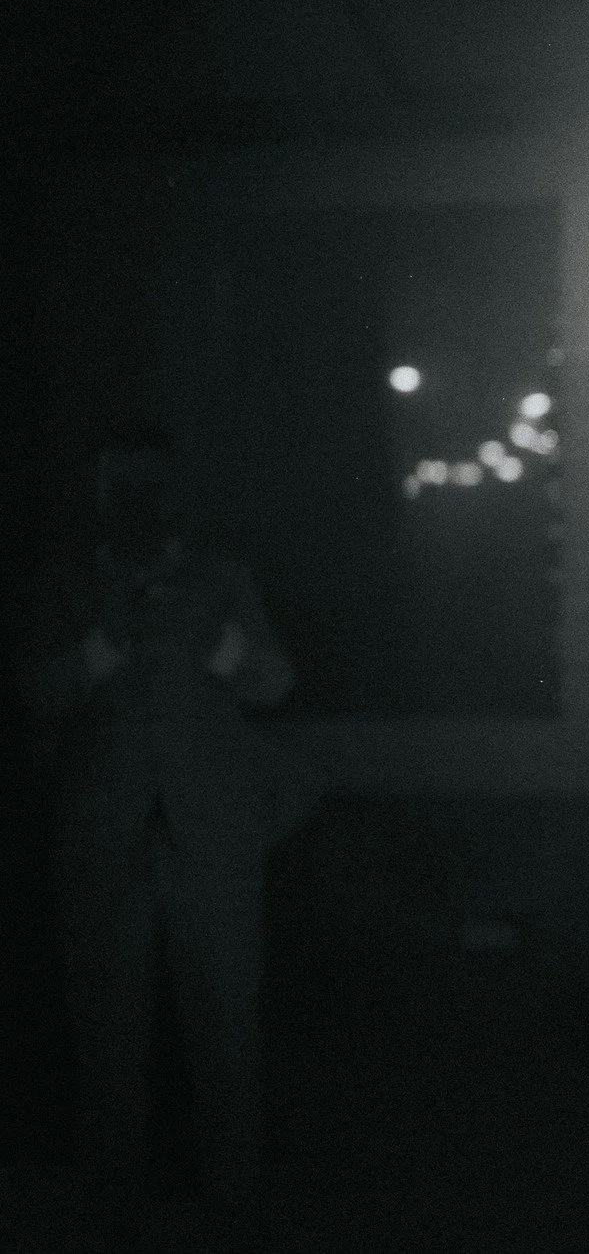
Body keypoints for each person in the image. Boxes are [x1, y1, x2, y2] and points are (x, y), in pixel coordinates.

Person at [18, 430, 295, 1220]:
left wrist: (221, 647)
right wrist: (95, 654)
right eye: (119, 484)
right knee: (108, 1049)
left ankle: (235, 1212)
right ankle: (114, 1218)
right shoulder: (64, 584)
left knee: (227, 1043)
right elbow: (34, 691)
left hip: (211, 850)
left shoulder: (220, 580)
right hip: (105, 853)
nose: (135, 500)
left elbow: (276, 680)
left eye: (149, 484)